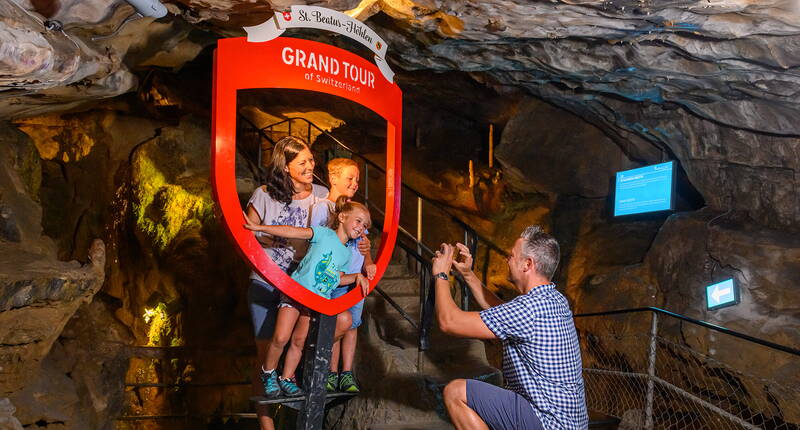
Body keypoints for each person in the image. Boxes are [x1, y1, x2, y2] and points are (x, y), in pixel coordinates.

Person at [431, 226, 588, 430]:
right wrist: (468, 275)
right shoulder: (554, 299)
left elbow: (449, 321)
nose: (507, 259)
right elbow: (502, 313)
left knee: (455, 392)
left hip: (547, 422)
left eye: (512, 255)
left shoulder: (529, 309)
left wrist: (441, 275)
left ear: (527, 264)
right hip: (568, 423)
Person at [244, 136, 349, 429]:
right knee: (266, 351)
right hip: (268, 280)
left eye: (311, 160)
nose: (310, 166)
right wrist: (276, 239)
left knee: (300, 343)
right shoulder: (263, 195)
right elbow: (247, 235)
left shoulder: (321, 194)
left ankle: (297, 412)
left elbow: (335, 233)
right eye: (302, 162)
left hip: (305, 283)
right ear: (285, 166)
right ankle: (267, 424)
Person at [244, 196, 372, 399]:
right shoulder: (323, 234)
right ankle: (268, 373)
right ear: (342, 217)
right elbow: (293, 231)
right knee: (281, 337)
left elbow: (337, 278)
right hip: (297, 294)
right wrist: (261, 227)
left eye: (365, 225)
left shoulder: (346, 254)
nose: (361, 227)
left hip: (316, 302)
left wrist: (357, 276)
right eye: (358, 221)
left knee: (299, 340)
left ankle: (286, 378)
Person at [309, 158, 376, 394]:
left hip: (356, 276)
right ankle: (330, 371)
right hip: (335, 277)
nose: (355, 183)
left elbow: (363, 244)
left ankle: (346, 373)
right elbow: (317, 241)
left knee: (353, 324)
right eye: (350, 178)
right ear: (333, 178)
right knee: (337, 320)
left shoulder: (357, 212)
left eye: (358, 179)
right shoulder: (323, 207)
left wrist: (368, 262)